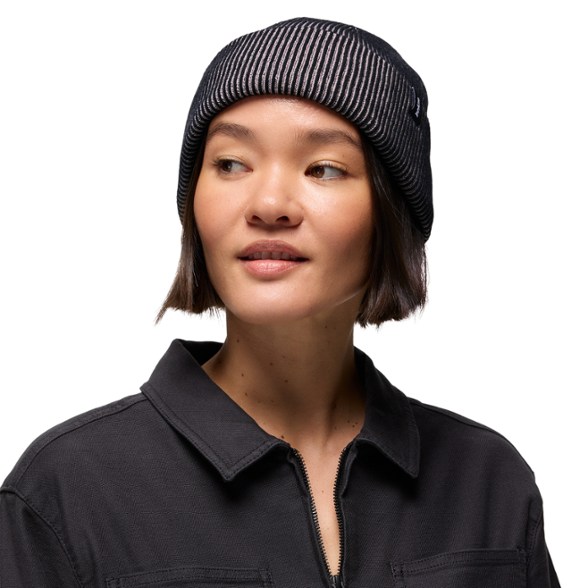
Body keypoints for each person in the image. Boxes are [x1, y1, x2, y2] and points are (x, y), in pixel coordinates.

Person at [0, 16, 559, 588]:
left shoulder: (489, 484)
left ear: (391, 214)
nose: (269, 204)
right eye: (231, 164)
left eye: (324, 169)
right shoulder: (65, 492)